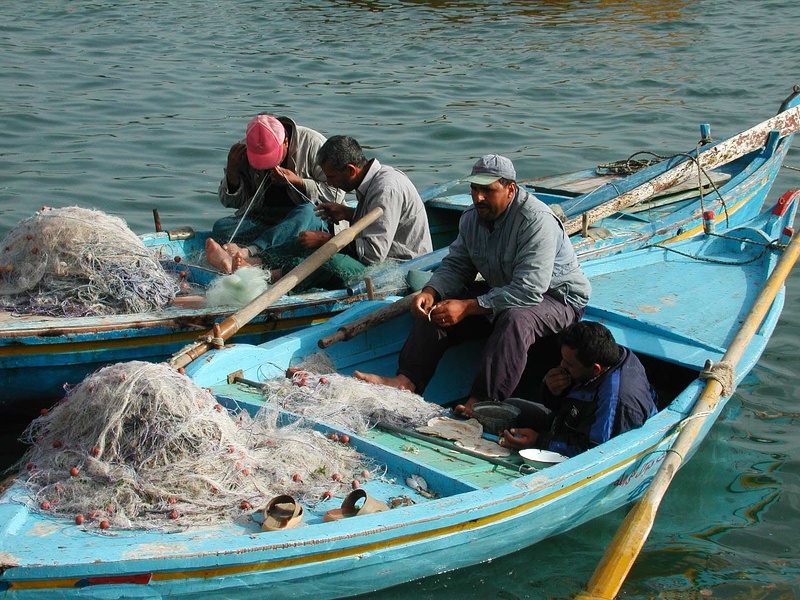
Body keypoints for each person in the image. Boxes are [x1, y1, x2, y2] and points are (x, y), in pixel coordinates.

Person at [354, 154, 591, 413]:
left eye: (487, 190)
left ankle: (482, 402)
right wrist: (432, 291)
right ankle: (406, 381)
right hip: (504, 289)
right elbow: (457, 265)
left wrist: (468, 307)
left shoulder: (536, 221)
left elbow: (529, 290)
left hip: (557, 298)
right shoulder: (471, 218)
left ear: (510, 189)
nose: (478, 198)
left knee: (515, 319)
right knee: (438, 309)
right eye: (474, 189)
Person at [213, 135, 434, 289]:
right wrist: (348, 214)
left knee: (328, 259)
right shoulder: (372, 180)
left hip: (397, 266)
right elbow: (377, 225)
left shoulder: (386, 189)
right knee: (304, 240)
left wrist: (327, 239)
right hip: (377, 254)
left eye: (332, 177)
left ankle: (270, 277)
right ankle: (255, 262)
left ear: (350, 170)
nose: (330, 184)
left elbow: (373, 255)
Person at [206, 114, 345, 273]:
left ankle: (250, 252)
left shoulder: (314, 144)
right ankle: (248, 252)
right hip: (268, 220)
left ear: (285, 142)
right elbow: (231, 202)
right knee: (221, 228)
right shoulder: (244, 150)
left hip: (307, 219)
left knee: (307, 212)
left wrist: (298, 182)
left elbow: (336, 194)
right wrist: (232, 173)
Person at [499, 321, 659, 457]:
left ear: (596, 369)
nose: (562, 365)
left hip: (584, 445)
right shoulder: (603, 354)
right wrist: (553, 392)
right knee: (508, 409)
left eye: (569, 364)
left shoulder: (616, 401)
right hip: (567, 421)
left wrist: (539, 442)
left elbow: (593, 453)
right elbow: (561, 402)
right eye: (563, 359)